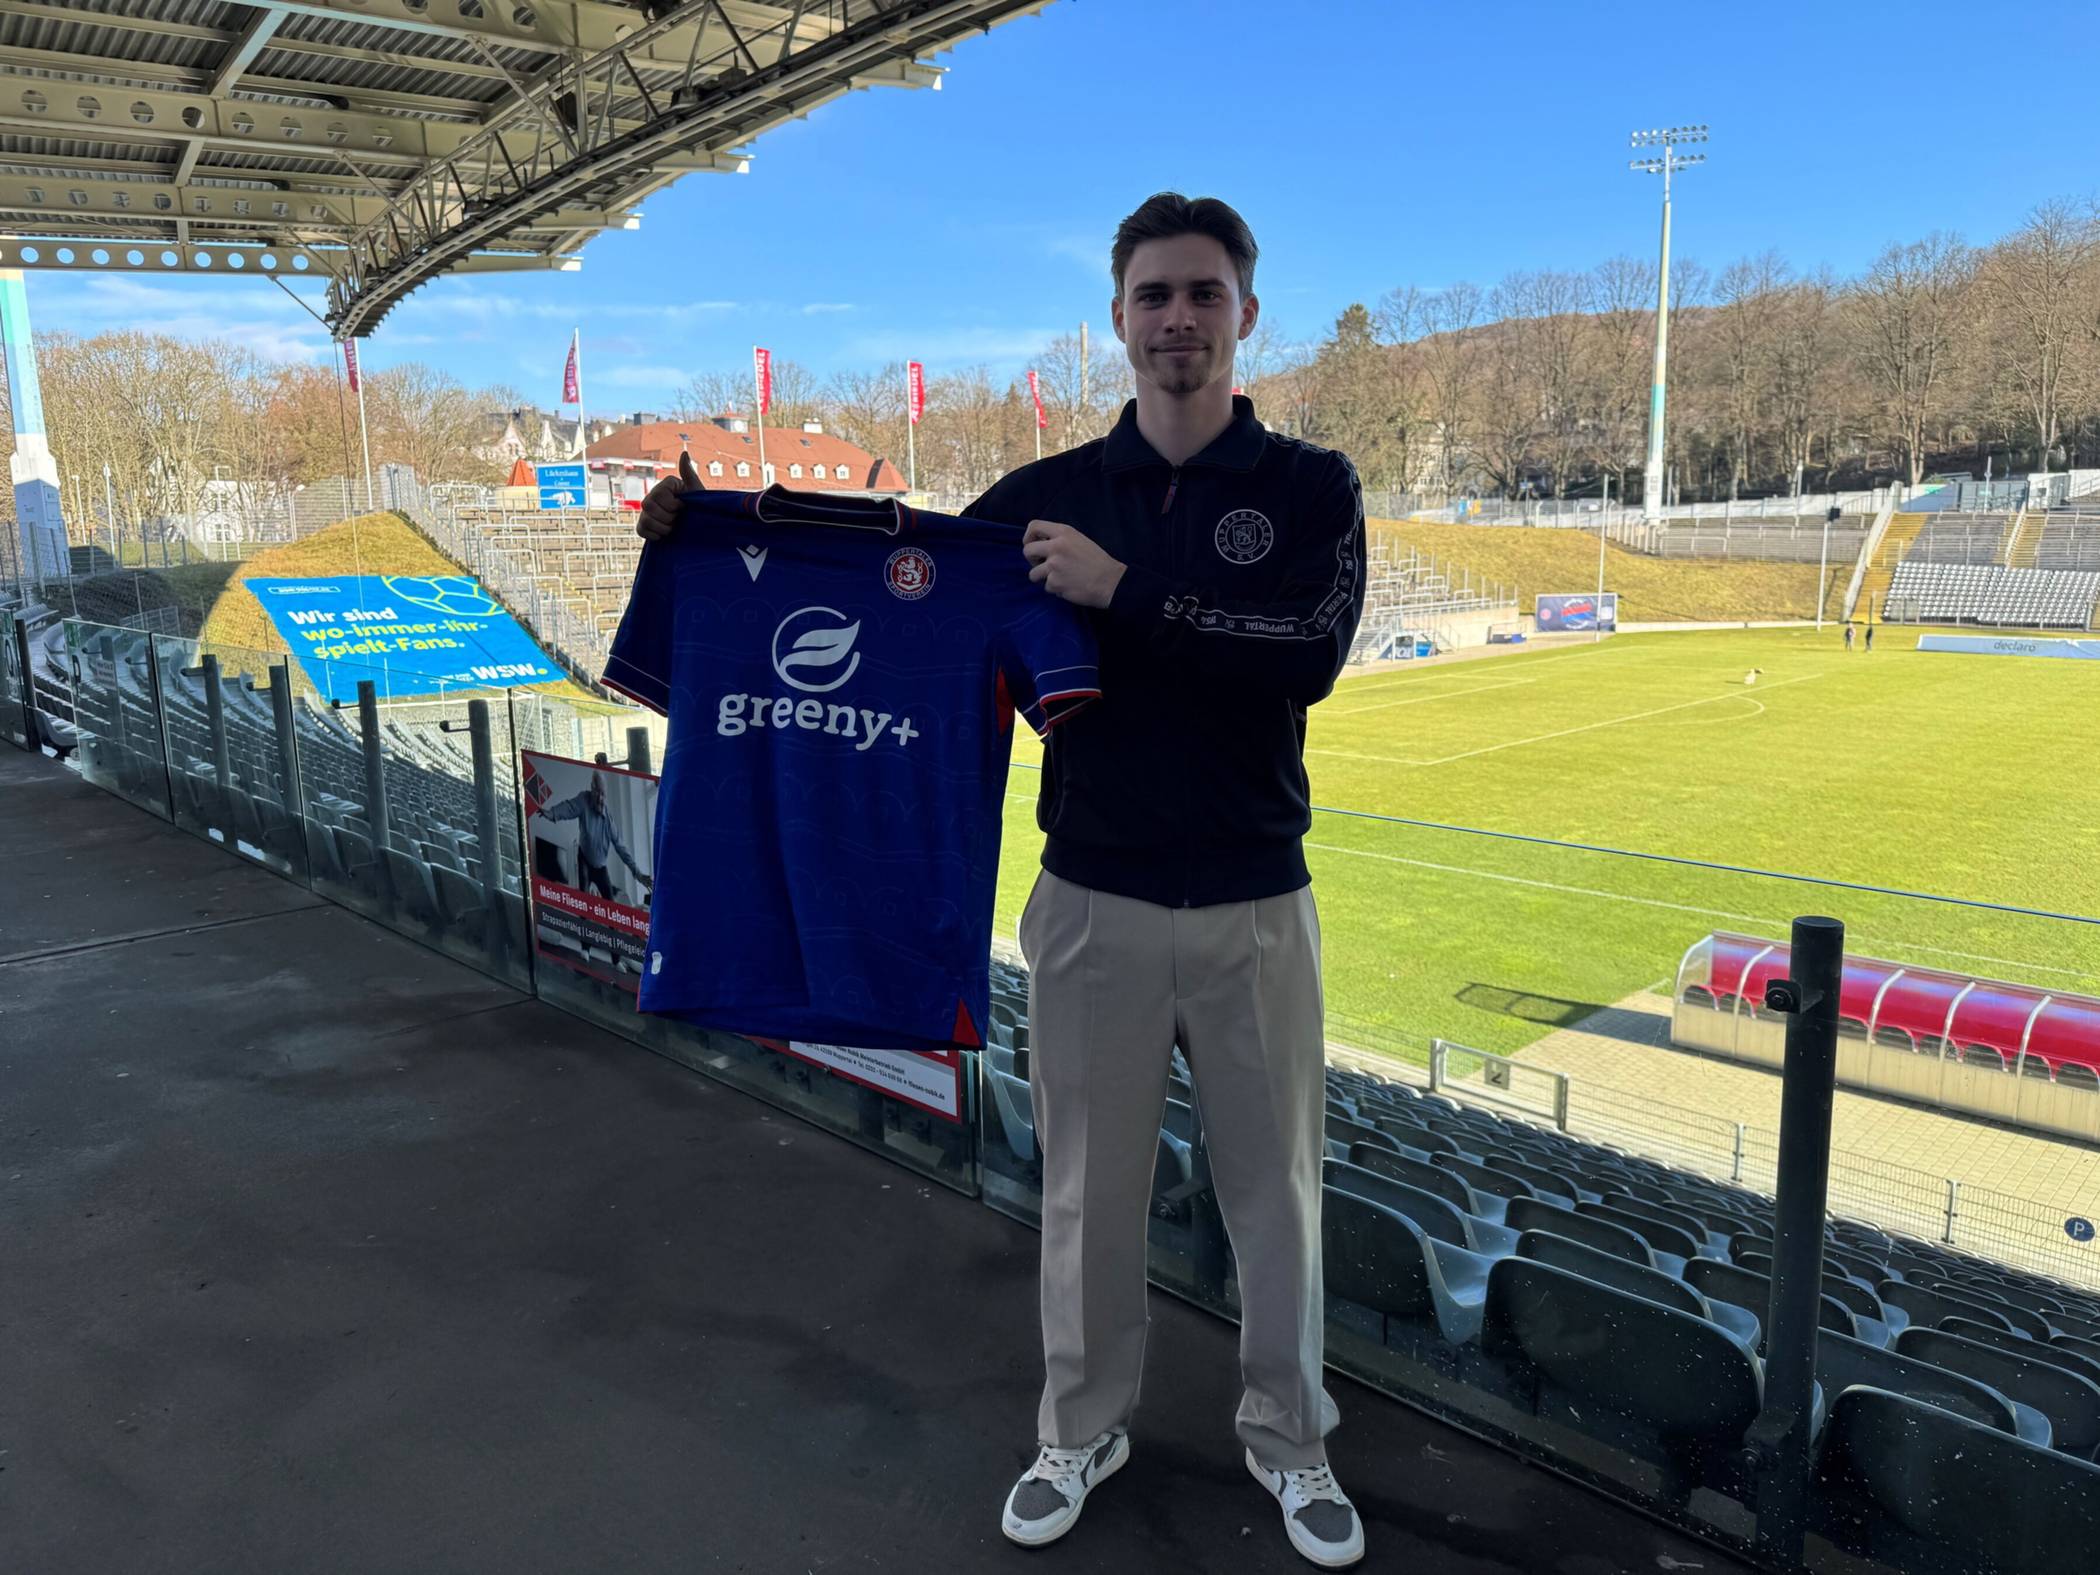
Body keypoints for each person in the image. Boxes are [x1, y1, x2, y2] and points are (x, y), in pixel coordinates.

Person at [635, 191, 1367, 1570]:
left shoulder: (1310, 486)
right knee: (1086, 1194)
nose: (1179, 319)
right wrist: (705, 526)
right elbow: (891, 572)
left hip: (1259, 904)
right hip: (1090, 902)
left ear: (1246, 313)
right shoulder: (1045, 497)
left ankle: (1292, 1441)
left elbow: (1307, 654)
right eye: (1154, 296)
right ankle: (1080, 1426)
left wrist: (1122, 588)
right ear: (1118, 320)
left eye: (1204, 293)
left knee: (1278, 1198)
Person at [538, 770, 650, 904]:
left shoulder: (608, 822)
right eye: (597, 792)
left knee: (610, 903)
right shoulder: (583, 800)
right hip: (584, 860)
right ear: (592, 788)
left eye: (603, 794)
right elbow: (569, 807)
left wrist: (639, 874)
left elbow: (622, 849)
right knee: (584, 901)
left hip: (600, 867)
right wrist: (552, 813)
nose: (600, 799)